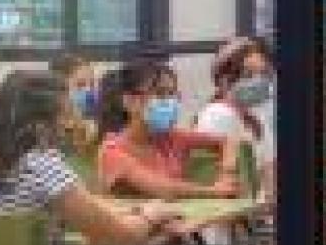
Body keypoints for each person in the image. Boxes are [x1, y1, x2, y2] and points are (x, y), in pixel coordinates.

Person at [0, 71, 189, 245]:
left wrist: (138, 213)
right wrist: (155, 214)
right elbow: (123, 238)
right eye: (66, 113)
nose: (70, 124)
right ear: (43, 122)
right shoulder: (42, 166)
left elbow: (89, 211)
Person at [97, 60, 240, 200]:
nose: (170, 102)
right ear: (130, 102)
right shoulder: (112, 151)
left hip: (181, 221)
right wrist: (214, 191)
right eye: (160, 94)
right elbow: (163, 189)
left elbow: (227, 141)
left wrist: (227, 173)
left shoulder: (172, 137)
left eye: (172, 94)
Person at [196, 36, 276, 197]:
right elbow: (223, 180)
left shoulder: (255, 118)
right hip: (236, 211)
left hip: (259, 210)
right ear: (224, 80)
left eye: (263, 74)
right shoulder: (217, 115)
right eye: (248, 75)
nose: (258, 81)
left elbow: (271, 174)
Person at [49, 53, 100, 158]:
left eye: (92, 84)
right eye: (80, 85)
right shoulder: (52, 134)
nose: (88, 91)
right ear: (59, 88)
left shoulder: (96, 124)